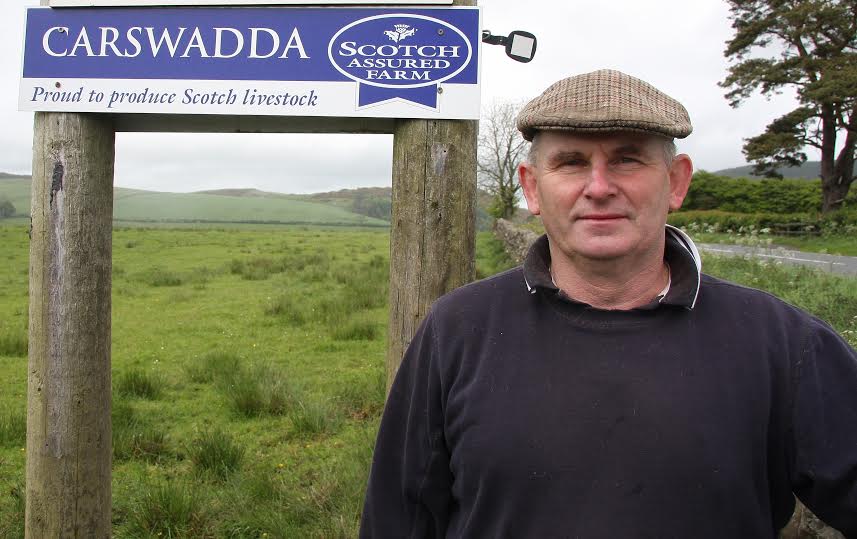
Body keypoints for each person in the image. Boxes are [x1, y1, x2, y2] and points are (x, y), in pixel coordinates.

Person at [359, 69, 857, 538]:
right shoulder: (457, 329)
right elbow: (396, 517)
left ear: (677, 182)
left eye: (627, 158)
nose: (599, 187)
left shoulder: (783, 343)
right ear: (532, 187)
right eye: (571, 162)